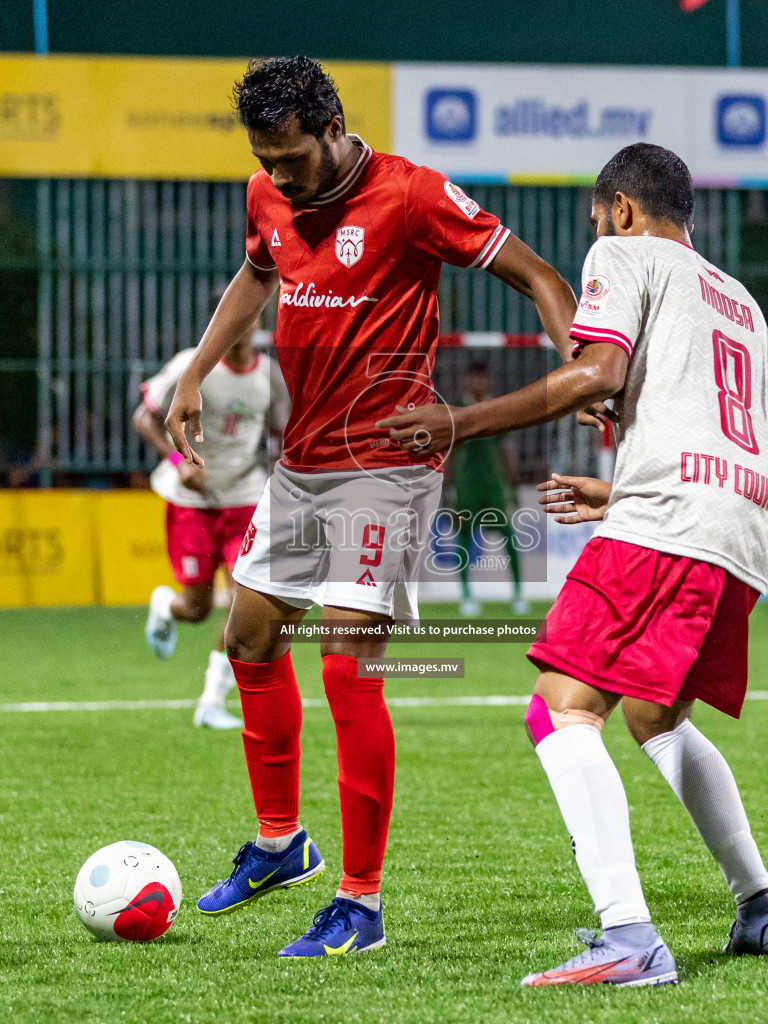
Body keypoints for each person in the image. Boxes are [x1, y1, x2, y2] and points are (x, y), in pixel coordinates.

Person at [162, 56, 578, 957]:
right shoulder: (266, 196)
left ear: (334, 125)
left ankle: (361, 902)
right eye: (265, 161)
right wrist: (195, 369)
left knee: (349, 664)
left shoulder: (413, 195)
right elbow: (255, 274)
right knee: (249, 638)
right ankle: (281, 846)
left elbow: (543, 278)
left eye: (292, 160)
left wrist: (584, 367)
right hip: (301, 462)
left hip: (388, 463)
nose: (279, 178)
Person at [381, 142, 768, 986]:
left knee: (558, 709)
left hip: (674, 523)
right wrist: (623, 495)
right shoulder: (741, 301)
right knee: (655, 718)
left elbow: (596, 373)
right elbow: (705, 427)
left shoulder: (623, 251)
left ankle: (630, 937)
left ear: (620, 208)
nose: (596, 231)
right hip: (746, 528)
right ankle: (761, 908)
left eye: (595, 217)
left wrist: (458, 422)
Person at [138, 300, 284, 730]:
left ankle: (211, 702)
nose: (244, 324)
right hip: (193, 505)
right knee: (197, 608)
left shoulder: (268, 376)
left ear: (259, 322)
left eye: (251, 316)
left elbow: (283, 433)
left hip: (244, 498)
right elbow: (145, 418)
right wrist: (178, 463)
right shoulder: (192, 365)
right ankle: (166, 605)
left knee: (245, 599)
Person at [449, 362, 528, 616]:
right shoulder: (457, 408)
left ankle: (518, 594)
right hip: (466, 485)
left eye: (482, 378)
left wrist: (513, 485)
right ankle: (466, 596)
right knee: (464, 540)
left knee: (508, 536)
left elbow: (507, 449)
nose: (478, 383)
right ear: (467, 381)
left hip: (494, 485)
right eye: (474, 378)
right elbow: (449, 450)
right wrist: (447, 487)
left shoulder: (498, 408)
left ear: (488, 381)